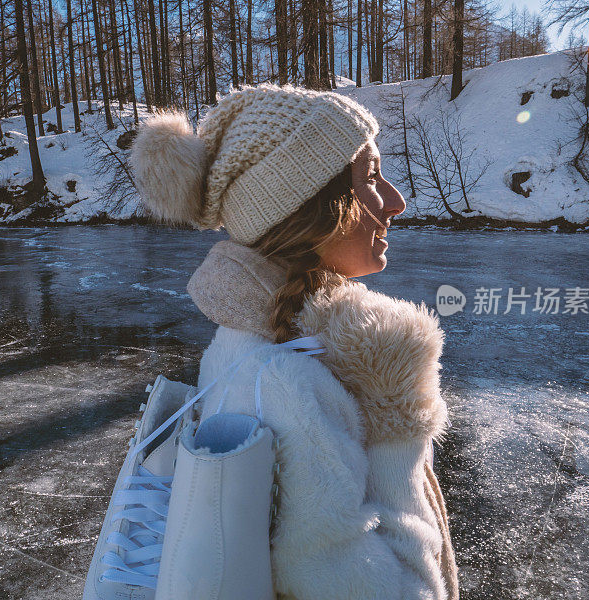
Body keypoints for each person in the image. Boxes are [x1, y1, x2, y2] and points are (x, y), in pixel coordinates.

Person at [129, 83, 459, 600]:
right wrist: (400, 430)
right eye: (370, 179)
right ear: (311, 207)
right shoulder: (287, 382)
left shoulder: (261, 347)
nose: (394, 201)